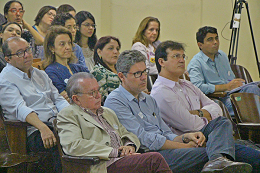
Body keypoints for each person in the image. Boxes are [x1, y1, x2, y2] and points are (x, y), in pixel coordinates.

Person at [104, 50, 253, 173]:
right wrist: (183, 145)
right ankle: (218, 159)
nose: (144, 77)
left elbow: (165, 131)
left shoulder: (148, 100)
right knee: (229, 151)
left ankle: (218, 160)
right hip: (152, 155)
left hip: (171, 146)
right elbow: (142, 139)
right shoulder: (116, 100)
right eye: (137, 74)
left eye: (145, 72)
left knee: (221, 123)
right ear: (121, 76)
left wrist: (186, 137)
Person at [151, 40, 260, 172]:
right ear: (161, 62)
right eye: (176, 56)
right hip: (187, 141)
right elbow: (191, 125)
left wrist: (198, 113)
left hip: (211, 138)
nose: (181, 60)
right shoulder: (161, 91)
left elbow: (216, 108)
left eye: (183, 56)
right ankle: (218, 159)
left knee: (252, 153)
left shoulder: (187, 85)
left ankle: (218, 160)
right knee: (224, 127)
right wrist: (207, 116)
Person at [57, 72, 172, 173]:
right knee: (154, 159)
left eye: (98, 90)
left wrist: (129, 145)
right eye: (92, 93)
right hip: (103, 165)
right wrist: (115, 152)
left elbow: (127, 134)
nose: (98, 95)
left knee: (155, 160)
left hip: (124, 160)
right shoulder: (68, 114)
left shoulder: (107, 112)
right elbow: (74, 145)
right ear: (76, 99)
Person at [0, 37, 70, 172]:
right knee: (62, 142)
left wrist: (71, 116)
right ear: (8, 58)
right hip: (31, 131)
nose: (26, 55)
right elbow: (20, 108)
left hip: (57, 123)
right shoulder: (5, 79)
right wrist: (42, 127)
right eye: (20, 53)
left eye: (27, 50)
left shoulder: (39, 74)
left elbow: (58, 99)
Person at [187, 26, 260, 116]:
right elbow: (197, 87)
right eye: (210, 39)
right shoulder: (196, 63)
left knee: (253, 88)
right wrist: (226, 87)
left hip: (234, 94)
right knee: (249, 101)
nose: (215, 42)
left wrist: (236, 84)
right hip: (220, 100)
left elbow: (230, 78)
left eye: (216, 38)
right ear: (200, 45)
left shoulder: (222, 56)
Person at [43, 25, 89, 102]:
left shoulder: (79, 68)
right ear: (52, 48)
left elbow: (94, 87)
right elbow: (64, 98)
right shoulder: (51, 71)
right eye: (62, 44)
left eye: (69, 43)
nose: (68, 47)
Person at [91, 36, 121, 103]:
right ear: (99, 52)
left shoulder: (123, 70)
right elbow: (103, 99)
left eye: (117, 49)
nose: (115, 52)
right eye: (111, 48)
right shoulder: (98, 72)